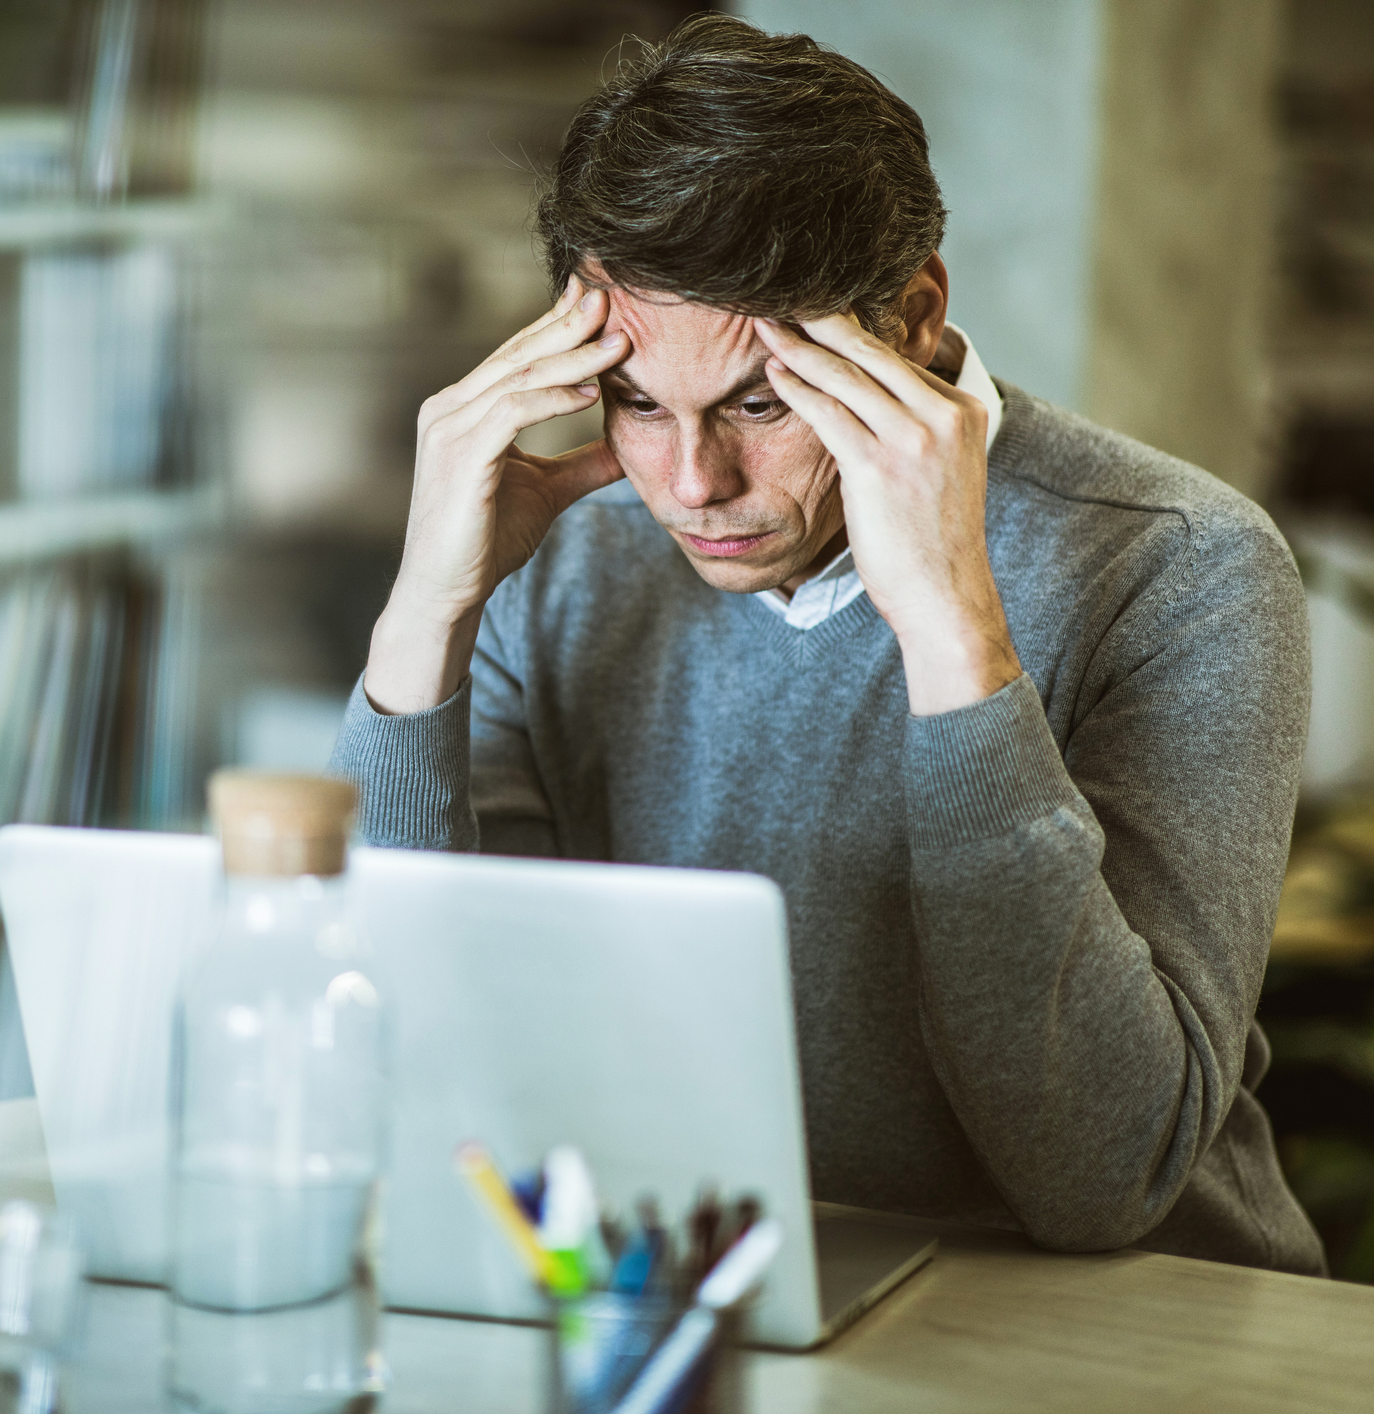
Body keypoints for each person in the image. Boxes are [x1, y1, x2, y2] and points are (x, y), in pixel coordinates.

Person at [328, 13, 1324, 1273]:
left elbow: (1103, 1174)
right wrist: (426, 612)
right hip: (717, 1292)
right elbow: (413, 1062)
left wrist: (954, 631)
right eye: (635, 401)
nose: (690, 483)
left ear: (912, 318)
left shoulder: (1181, 562)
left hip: (1125, 1331)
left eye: (759, 401)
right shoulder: (564, 551)